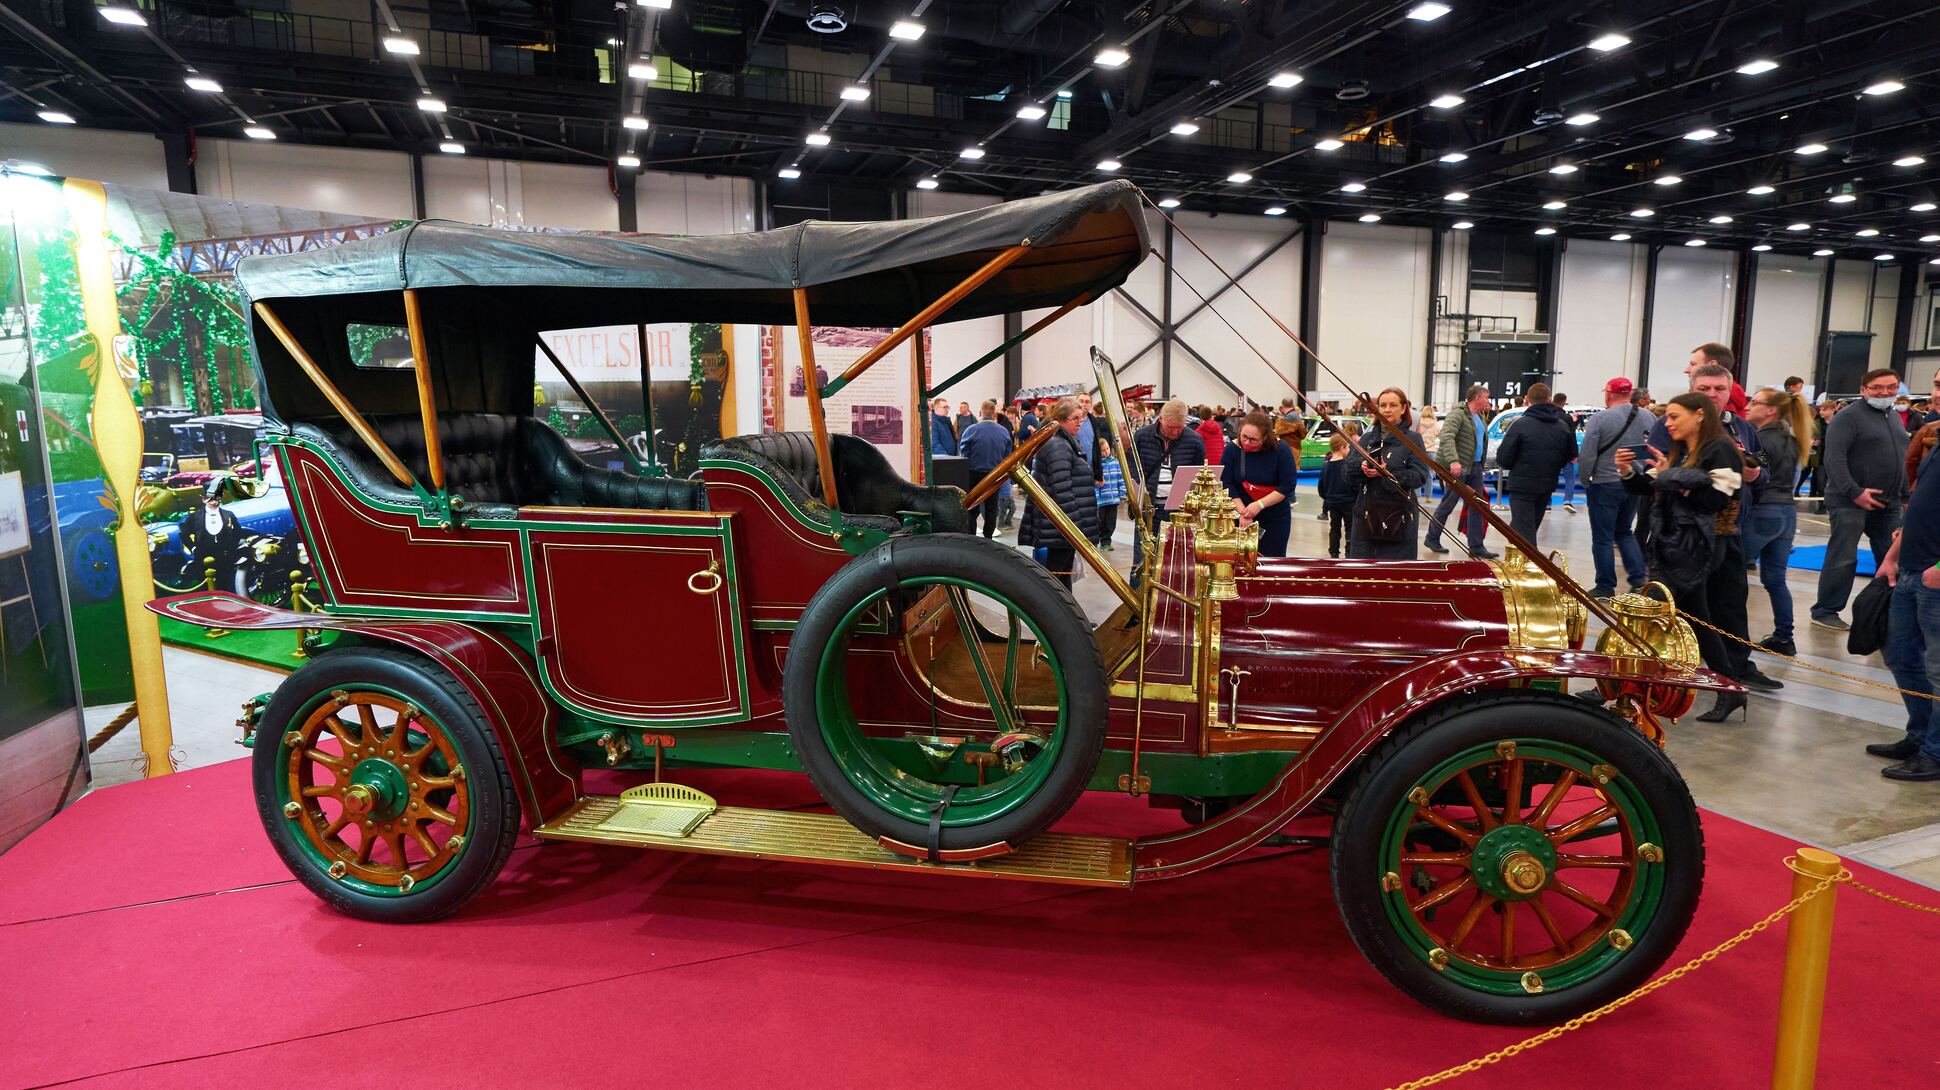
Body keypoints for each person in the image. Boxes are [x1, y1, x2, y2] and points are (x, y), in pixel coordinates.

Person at [1644, 360, 1780, 692]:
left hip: (1729, 532)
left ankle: (1735, 669)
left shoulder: (1741, 428)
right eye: (1704, 389)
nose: (1713, 395)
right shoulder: (1671, 426)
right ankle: (1695, 675)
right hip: (1687, 534)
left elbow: (1761, 471)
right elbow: (1663, 476)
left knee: (1728, 605)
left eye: (1720, 388)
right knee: (1679, 609)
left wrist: (1753, 475)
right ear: (1693, 392)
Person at [1617, 393, 1751, 722]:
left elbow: (1715, 499)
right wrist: (1628, 471)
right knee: (1695, 617)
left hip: (1700, 546)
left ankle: (1622, 688)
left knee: (1652, 613)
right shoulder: (1685, 451)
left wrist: (1670, 478)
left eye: (1676, 416)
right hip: (1677, 544)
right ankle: (1730, 688)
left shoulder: (1719, 448)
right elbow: (1653, 489)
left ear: (1700, 415)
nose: (1669, 423)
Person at [1811, 368, 1908, 631]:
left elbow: (1901, 459)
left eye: (1891, 387)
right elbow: (1834, 459)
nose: (1885, 392)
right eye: (1878, 387)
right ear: (1864, 389)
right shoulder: (1848, 417)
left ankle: (1888, 610)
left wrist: (1905, 495)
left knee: (1890, 556)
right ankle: (1825, 609)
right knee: (1843, 556)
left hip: (1888, 502)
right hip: (1849, 500)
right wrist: (1855, 492)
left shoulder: (1894, 418)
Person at [1870, 442, 1940, 781]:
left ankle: (1936, 753)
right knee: (1900, 656)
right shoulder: (1936, 444)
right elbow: (1917, 509)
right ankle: (1921, 736)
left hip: (1935, 577)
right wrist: (1893, 555)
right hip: (1911, 570)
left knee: (1938, 669)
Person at [1743, 388, 1812, 655]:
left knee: (1730, 575)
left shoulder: (1759, 440)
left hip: (1762, 511)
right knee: (1775, 579)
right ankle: (1784, 637)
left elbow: (1754, 475)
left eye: (1755, 402)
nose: (1749, 406)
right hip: (1786, 511)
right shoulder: (1793, 439)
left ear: (1770, 410)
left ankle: (1727, 636)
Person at [1579, 376, 1652, 597]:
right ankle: (1639, 578)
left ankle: (1605, 586)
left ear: (1608, 394)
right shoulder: (1649, 417)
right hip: (1634, 482)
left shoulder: (1601, 419)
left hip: (1604, 483)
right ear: (1630, 394)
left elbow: (1588, 454)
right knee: (1625, 531)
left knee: (1603, 537)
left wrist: (1585, 480)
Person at [1017, 397, 1098, 587]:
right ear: (1061, 420)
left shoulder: (1064, 441)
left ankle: (1066, 615)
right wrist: (1074, 526)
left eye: (1081, 419)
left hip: (1061, 525)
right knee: (1055, 576)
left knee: (1062, 574)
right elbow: (1061, 489)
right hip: (1061, 525)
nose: (1080, 423)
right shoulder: (1058, 445)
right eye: (1075, 419)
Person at [1344, 388, 1431, 559]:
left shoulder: (1413, 439)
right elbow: (1347, 474)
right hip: (1365, 519)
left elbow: (1419, 476)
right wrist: (1361, 468)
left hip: (1400, 521)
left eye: (1393, 405)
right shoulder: (1366, 439)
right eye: (1382, 405)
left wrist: (1387, 472)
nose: (1387, 409)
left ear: (1403, 408)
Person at [1131, 398, 1207, 582]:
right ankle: (1137, 604)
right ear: (1161, 419)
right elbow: (1132, 467)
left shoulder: (1194, 440)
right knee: (1142, 561)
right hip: (1148, 511)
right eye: (1170, 427)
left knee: (1176, 563)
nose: (1174, 432)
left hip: (1179, 513)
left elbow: (1198, 476)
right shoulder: (1142, 436)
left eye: (1179, 428)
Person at [1496, 383, 1577, 546]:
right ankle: (1518, 563)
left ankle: (1530, 567)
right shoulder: (1562, 427)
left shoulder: (1519, 425)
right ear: (1549, 399)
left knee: (1524, 532)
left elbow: (1503, 458)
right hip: (1547, 484)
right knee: (1527, 528)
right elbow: (1571, 454)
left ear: (1527, 399)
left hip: (1521, 485)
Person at [1426, 384, 1495, 557]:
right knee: (1448, 504)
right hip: (1459, 467)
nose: (1488, 401)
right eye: (1486, 397)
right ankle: (1432, 538)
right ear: (1477, 398)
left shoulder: (1479, 416)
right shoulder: (1458, 414)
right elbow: (1447, 436)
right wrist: (1453, 460)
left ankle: (1476, 545)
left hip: (1475, 467)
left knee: (1477, 506)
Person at [1221, 412, 1299, 558]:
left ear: (1265, 437)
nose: (1247, 443)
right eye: (1244, 437)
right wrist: (1243, 512)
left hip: (1274, 517)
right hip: (1240, 515)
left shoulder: (1281, 449)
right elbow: (1226, 483)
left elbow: (1287, 485)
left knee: (1271, 561)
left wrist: (1259, 505)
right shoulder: (1232, 449)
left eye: (1253, 440)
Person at [179, 478, 249, 596]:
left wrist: (231, 547)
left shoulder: (228, 515)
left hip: (225, 556)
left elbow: (238, 533)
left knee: (225, 585)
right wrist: (193, 548)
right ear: (203, 499)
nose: (214, 502)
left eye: (217, 498)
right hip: (203, 556)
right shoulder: (195, 517)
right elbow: (183, 533)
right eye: (210, 499)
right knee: (205, 586)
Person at [956, 400, 1013, 538]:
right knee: (991, 510)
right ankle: (988, 539)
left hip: (973, 475)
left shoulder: (971, 430)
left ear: (980, 413)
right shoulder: (1004, 432)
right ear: (995, 415)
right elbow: (1007, 456)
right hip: (994, 475)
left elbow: (963, 453)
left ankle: (971, 539)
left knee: (971, 509)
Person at [1319, 434, 1358, 558]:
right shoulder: (1347, 466)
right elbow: (1353, 484)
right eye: (1348, 447)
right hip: (1348, 502)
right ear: (1342, 448)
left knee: (1334, 528)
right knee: (1350, 528)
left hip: (1332, 502)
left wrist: (1328, 497)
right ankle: (1349, 552)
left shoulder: (1325, 466)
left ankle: (1334, 552)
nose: (1349, 450)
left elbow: (1321, 488)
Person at [1551, 392, 1582, 513]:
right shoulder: (1567, 418)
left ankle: (1547, 502)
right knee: (1570, 478)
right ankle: (1567, 500)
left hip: (1551, 452)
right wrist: (1574, 453)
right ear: (1564, 402)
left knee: (1551, 476)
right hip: (1566, 453)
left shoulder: (1548, 415)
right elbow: (1571, 437)